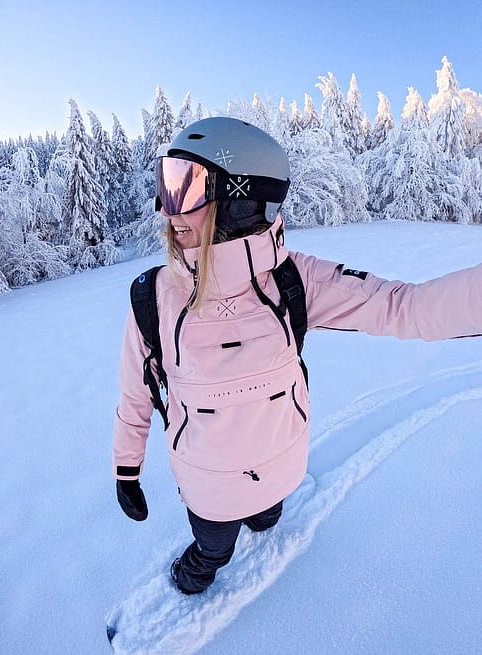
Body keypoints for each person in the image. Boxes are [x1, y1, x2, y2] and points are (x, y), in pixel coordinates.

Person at [112, 117, 482, 595]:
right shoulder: (152, 299)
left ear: (238, 200)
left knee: (268, 513)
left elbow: (402, 307)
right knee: (215, 544)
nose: (168, 209)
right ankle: (202, 565)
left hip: (282, 460)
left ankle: (261, 517)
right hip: (207, 485)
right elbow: (135, 395)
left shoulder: (293, 281)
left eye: (186, 187)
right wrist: (126, 467)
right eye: (167, 184)